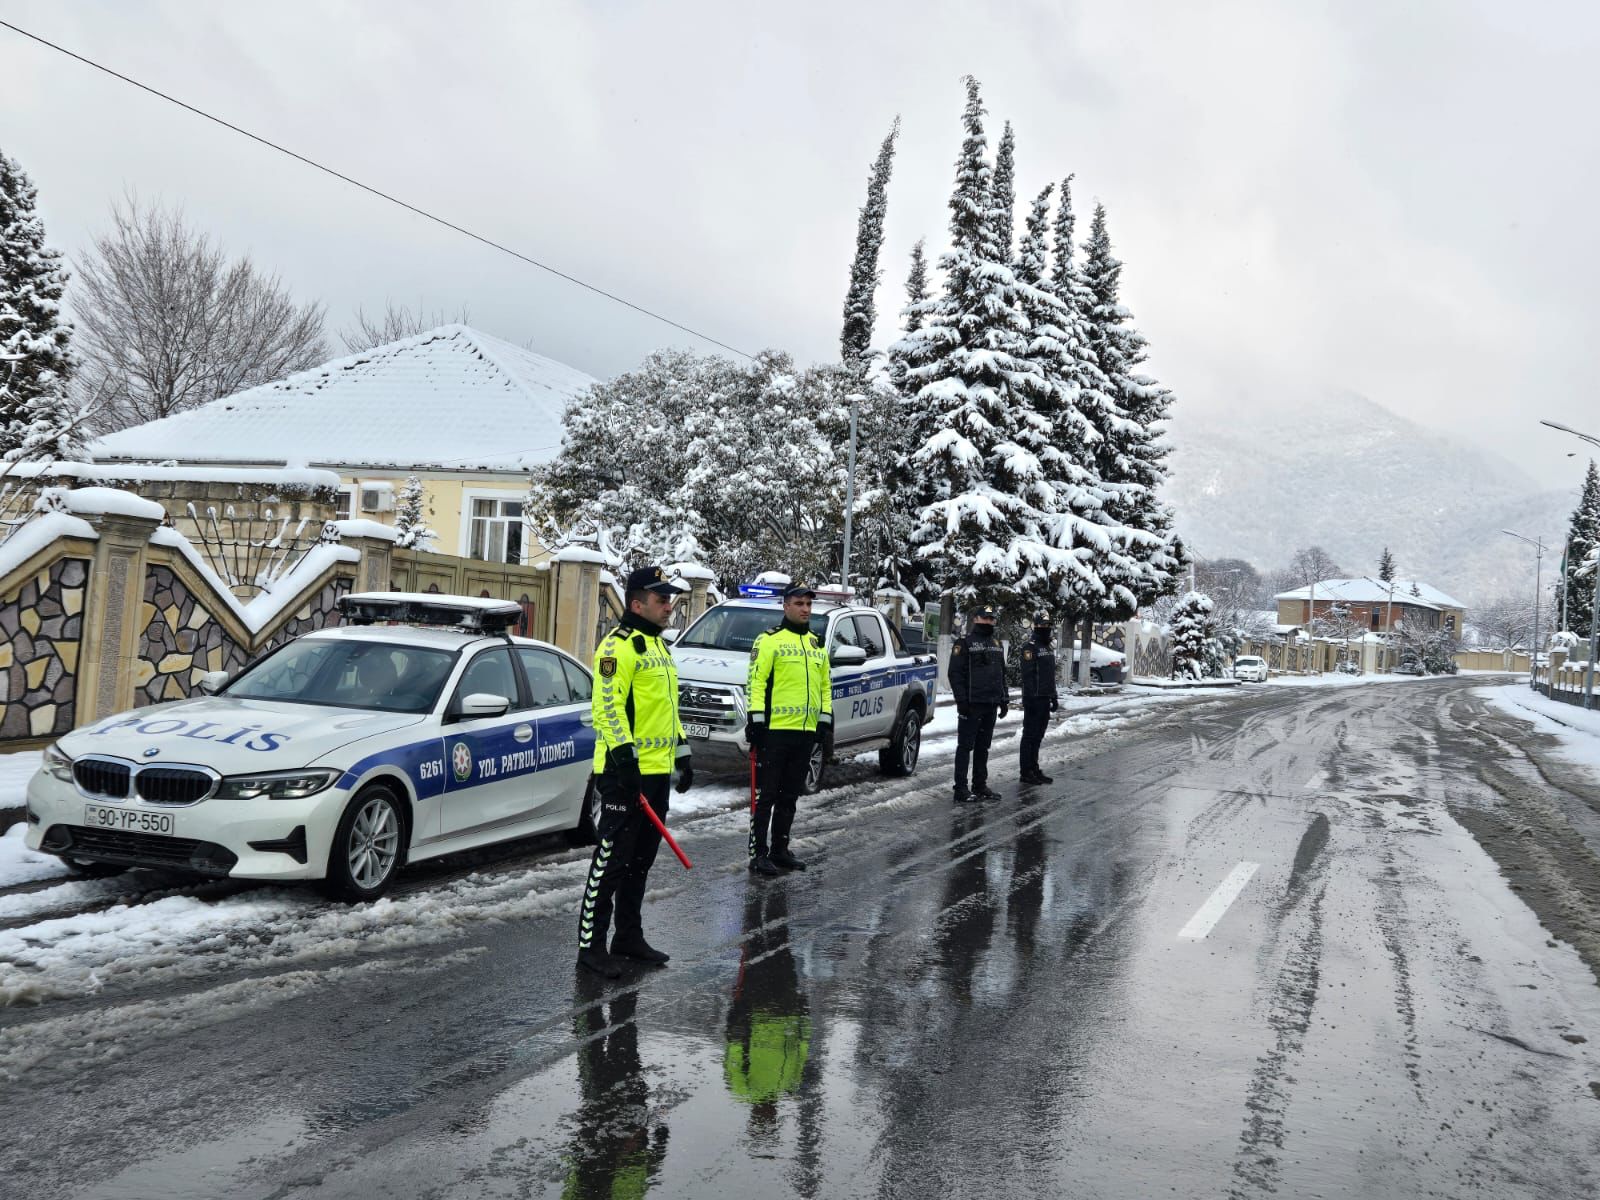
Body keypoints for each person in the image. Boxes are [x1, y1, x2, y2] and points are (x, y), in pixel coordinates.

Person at [579, 565, 692, 978]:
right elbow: (606, 708)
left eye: (670, 600)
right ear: (637, 603)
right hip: (622, 774)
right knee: (611, 860)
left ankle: (628, 936)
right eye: (662, 600)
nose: (669, 607)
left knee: (640, 862)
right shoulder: (617, 648)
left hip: (656, 773)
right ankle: (591, 947)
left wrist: (683, 754)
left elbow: (667, 710)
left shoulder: (660, 648)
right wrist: (625, 760)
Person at [744, 581, 832, 876]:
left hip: (805, 732)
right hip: (775, 731)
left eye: (808, 604)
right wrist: (755, 721)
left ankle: (780, 849)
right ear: (785, 606)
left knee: (790, 795)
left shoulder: (815, 644)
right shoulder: (769, 641)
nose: (805, 609)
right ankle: (758, 853)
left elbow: (824, 686)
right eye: (799, 604)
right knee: (766, 795)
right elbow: (756, 682)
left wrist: (824, 720)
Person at [948, 603, 1007, 802]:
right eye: (984, 618)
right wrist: (961, 701)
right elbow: (955, 674)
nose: (988, 621)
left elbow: (1001, 674)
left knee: (983, 748)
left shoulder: (996, 644)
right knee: (965, 747)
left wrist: (1004, 699)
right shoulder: (964, 643)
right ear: (975, 619)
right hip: (972, 705)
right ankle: (961, 789)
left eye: (991, 618)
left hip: (990, 703)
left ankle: (980, 786)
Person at [1018, 612, 1061, 784]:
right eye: (1042, 625)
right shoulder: (1030, 647)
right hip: (1033, 699)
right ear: (1035, 626)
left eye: (1048, 625)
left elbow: (1049, 676)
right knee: (1029, 735)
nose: (1046, 628)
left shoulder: (1047, 647)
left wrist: (1053, 696)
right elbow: (1027, 676)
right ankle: (1025, 772)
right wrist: (1030, 698)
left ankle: (1034, 768)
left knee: (1038, 736)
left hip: (1045, 698)